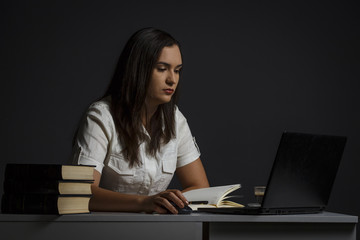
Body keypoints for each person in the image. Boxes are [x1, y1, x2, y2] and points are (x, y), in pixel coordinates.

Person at [71, 27, 209, 214]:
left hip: (158, 230)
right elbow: (82, 192)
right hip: (106, 228)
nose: (172, 79)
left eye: (177, 71)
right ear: (138, 69)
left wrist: (168, 202)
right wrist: (145, 203)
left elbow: (201, 188)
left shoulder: (175, 119)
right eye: (162, 69)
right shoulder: (101, 116)